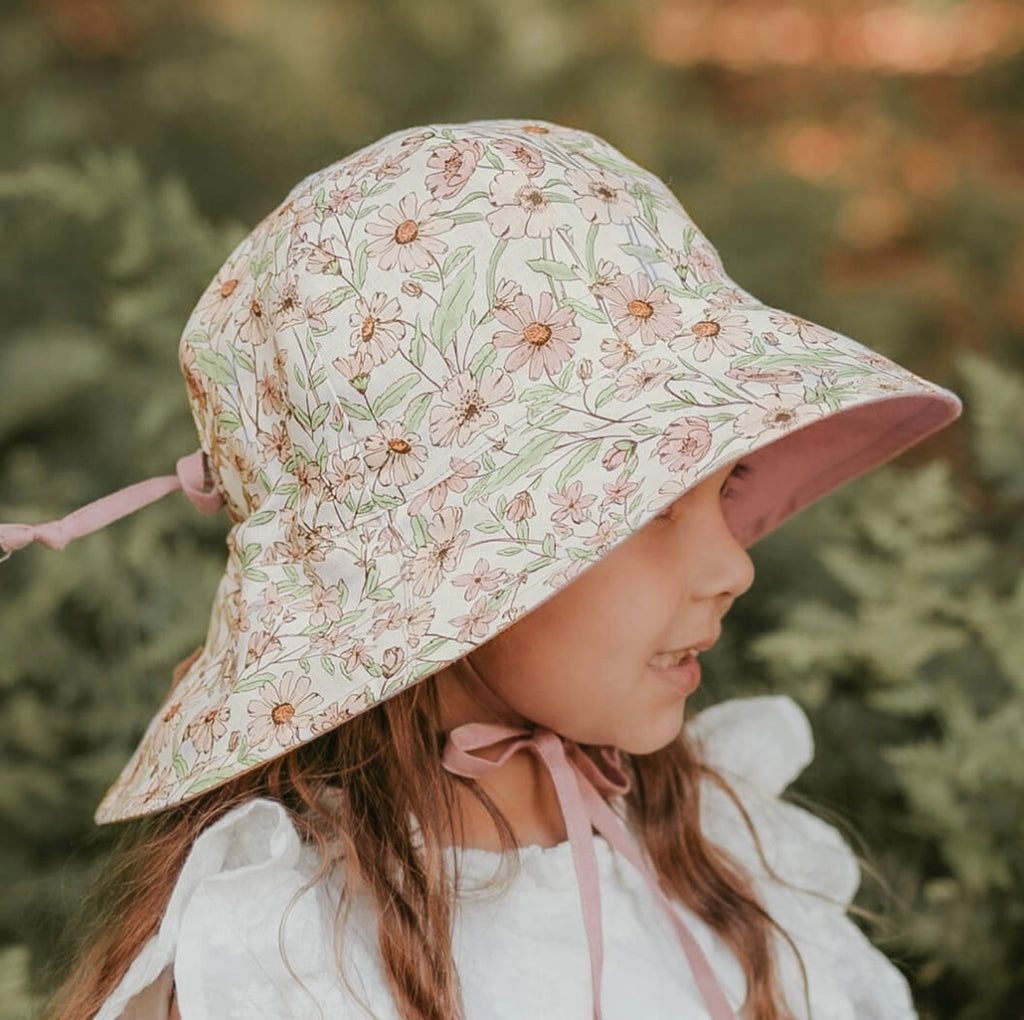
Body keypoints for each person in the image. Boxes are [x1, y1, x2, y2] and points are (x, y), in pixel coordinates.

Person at [2, 119, 962, 1020]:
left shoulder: (717, 854)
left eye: (726, 486)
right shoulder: (288, 950)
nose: (731, 566)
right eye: (649, 506)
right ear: (430, 567)